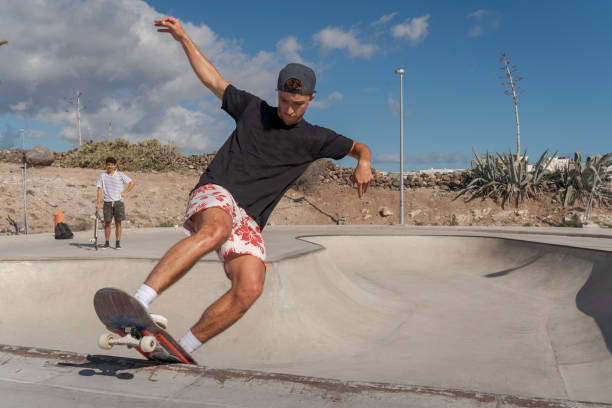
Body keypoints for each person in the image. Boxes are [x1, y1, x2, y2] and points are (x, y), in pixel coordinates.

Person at [132, 16, 373, 355]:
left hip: (249, 220)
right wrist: (183, 38)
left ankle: (181, 349)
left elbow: (360, 148)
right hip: (217, 191)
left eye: (298, 104)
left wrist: (364, 163)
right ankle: (139, 300)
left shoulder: (316, 138)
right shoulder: (251, 109)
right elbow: (213, 79)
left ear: (311, 99)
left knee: (250, 288)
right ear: (278, 93)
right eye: (285, 101)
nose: (289, 110)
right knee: (215, 229)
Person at [96, 157, 135, 249]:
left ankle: (117, 242)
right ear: (106, 165)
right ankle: (106, 242)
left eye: (111, 165)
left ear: (115, 166)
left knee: (118, 223)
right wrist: (98, 203)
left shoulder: (120, 175)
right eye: (108, 164)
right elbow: (99, 189)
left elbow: (132, 183)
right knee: (107, 223)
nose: (110, 166)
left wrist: (125, 192)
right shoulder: (102, 176)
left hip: (118, 202)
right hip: (107, 202)